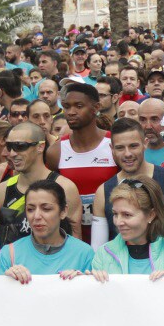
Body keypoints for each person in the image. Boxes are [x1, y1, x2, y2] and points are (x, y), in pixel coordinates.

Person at [89, 118, 164, 243]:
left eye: (133, 146)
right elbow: (98, 247)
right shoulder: (103, 192)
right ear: (112, 148)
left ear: (145, 143)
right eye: (120, 148)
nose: (127, 154)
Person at [50, 82, 117, 237]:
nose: (71, 112)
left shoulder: (113, 145)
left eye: (79, 106)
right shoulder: (56, 151)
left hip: (113, 234)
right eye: (67, 106)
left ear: (96, 107)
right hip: (72, 237)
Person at [1, 178, 96, 280]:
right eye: (30, 209)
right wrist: (7, 280)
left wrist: (81, 281)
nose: (36, 216)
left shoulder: (84, 253)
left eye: (46, 209)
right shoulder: (10, 253)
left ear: (63, 211)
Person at [92, 177, 164, 276]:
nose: (118, 222)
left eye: (127, 215)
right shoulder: (103, 253)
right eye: (115, 214)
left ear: (151, 215)